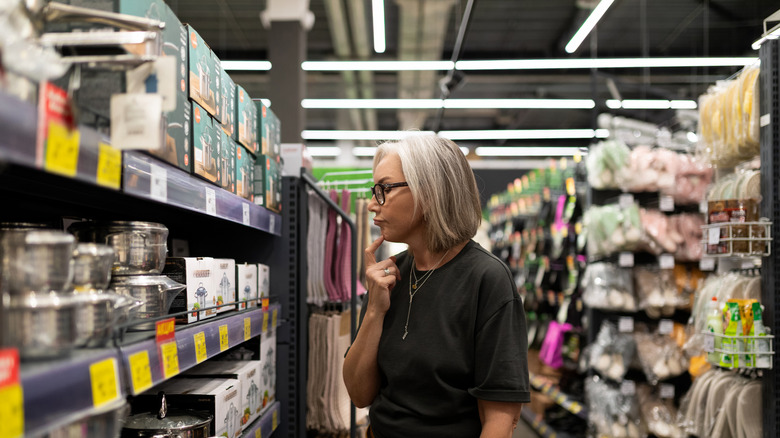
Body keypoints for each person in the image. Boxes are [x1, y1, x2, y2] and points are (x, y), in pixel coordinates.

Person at [343, 133, 530, 438]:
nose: (372, 205)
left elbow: (500, 419)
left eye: (384, 189)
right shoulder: (390, 275)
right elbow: (359, 394)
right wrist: (375, 311)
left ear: (429, 192)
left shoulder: (486, 279)